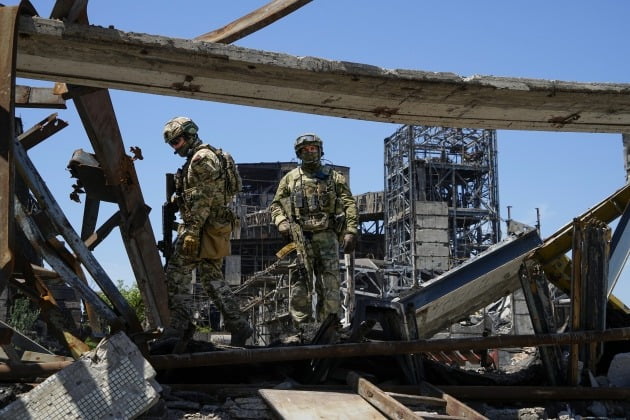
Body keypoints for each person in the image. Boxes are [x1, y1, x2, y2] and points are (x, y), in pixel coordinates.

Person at [161, 116, 252, 347]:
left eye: (177, 141)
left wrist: (191, 231)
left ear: (190, 135)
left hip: (202, 228)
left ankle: (179, 328)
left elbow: (205, 197)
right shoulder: (205, 156)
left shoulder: (201, 159)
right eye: (172, 143)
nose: (176, 147)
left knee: (176, 274)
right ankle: (239, 326)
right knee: (212, 279)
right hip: (213, 227)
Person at [270, 133, 358, 331]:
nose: (310, 153)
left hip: (327, 236)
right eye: (305, 150)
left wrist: (351, 230)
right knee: (300, 285)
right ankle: (303, 329)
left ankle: (327, 328)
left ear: (320, 150)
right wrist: (281, 221)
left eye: (313, 149)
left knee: (330, 284)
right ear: (299, 153)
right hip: (300, 237)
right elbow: (276, 205)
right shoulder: (290, 179)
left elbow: (349, 204)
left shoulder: (334, 177)